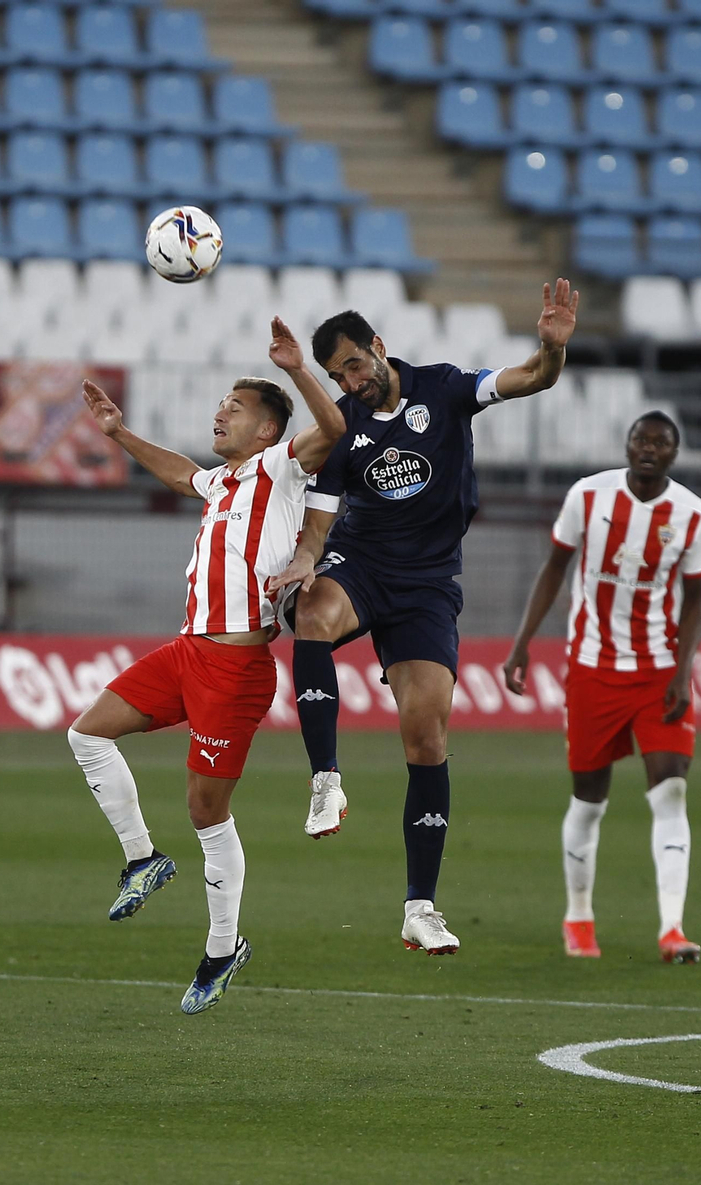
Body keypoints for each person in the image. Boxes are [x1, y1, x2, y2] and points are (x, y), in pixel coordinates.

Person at [270, 279, 580, 957]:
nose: (349, 381)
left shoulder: (443, 388)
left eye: (354, 365)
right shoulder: (341, 428)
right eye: (334, 375)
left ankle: (421, 908)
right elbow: (321, 524)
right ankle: (326, 780)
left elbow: (530, 377)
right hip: (362, 565)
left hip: (428, 584)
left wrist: (551, 353)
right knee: (313, 614)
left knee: (427, 738)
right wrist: (302, 560)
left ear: (379, 349)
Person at [68, 318, 346, 1014]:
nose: (221, 410)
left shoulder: (282, 468)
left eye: (236, 405)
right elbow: (177, 470)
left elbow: (334, 429)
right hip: (187, 650)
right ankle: (141, 859)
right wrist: (118, 434)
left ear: (266, 430)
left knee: (205, 810)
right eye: (222, 401)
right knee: (86, 733)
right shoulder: (222, 482)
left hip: (236, 668)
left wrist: (295, 371)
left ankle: (223, 949)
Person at [502, 412, 701, 964]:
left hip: (659, 671)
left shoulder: (692, 514)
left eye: (661, 443)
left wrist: (684, 670)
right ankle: (578, 917)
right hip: (592, 669)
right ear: (627, 445)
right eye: (641, 440)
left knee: (671, 791)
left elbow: (695, 602)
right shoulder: (587, 497)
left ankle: (673, 929)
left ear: (674, 453)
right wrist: (522, 643)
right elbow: (554, 569)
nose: (648, 449)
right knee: (589, 801)